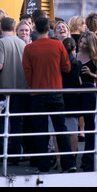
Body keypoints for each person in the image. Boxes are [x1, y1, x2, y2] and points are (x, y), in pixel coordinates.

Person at [22, 16, 76, 173]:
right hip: (56, 92)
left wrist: (33, 85)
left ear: (35, 29)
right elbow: (66, 68)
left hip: (37, 93)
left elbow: (27, 72)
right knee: (61, 128)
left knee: (40, 131)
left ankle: (43, 166)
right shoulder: (58, 46)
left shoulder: (29, 49)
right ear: (48, 29)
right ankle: (69, 163)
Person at [0, 17, 27, 163]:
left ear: (0, 27)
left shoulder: (0, 43)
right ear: (14, 29)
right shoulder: (22, 43)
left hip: (4, 87)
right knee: (17, 121)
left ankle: (2, 151)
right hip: (20, 87)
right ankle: (16, 152)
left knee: (1, 121)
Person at [76, 31, 97, 171]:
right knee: (73, 122)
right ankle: (73, 155)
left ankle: (89, 158)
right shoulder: (75, 55)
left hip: (89, 91)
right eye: (81, 42)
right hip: (76, 91)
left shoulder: (96, 58)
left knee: (90, 125)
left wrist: (91, 74)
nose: (82, 45)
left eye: (85, 43)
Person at [62, 37, 82, 155]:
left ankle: (59, 158)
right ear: (75, 48)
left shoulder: (59, 64)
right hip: (73, 99)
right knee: (73, 131)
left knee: (58, 131)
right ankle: (73, 155)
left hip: (61, 97)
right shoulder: (77, 64)